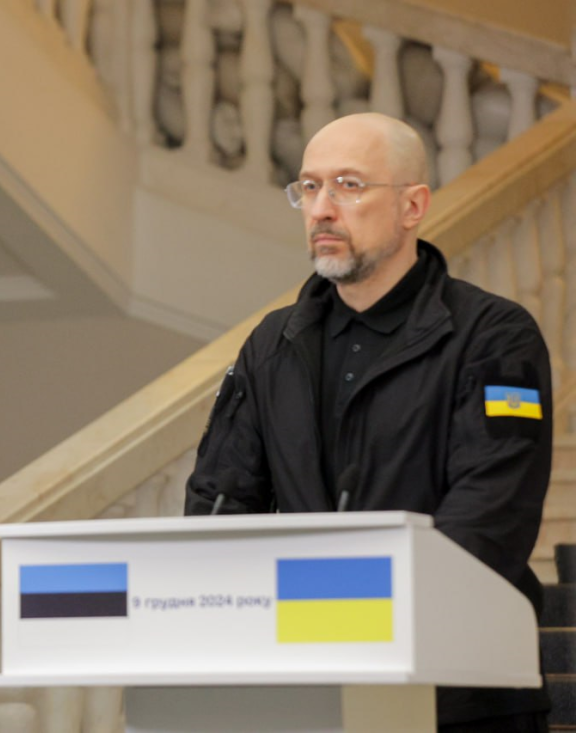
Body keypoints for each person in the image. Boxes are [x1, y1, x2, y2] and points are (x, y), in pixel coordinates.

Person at [185, 113, 551, 732]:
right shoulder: (272, 343)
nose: (321, 209)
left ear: (413, 206)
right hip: (313, 689)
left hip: (461, 696)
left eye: (349, 186)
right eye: (309, 187)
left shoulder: (494, 335)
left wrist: (356, 615)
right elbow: (220, 500)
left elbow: (491, 516)